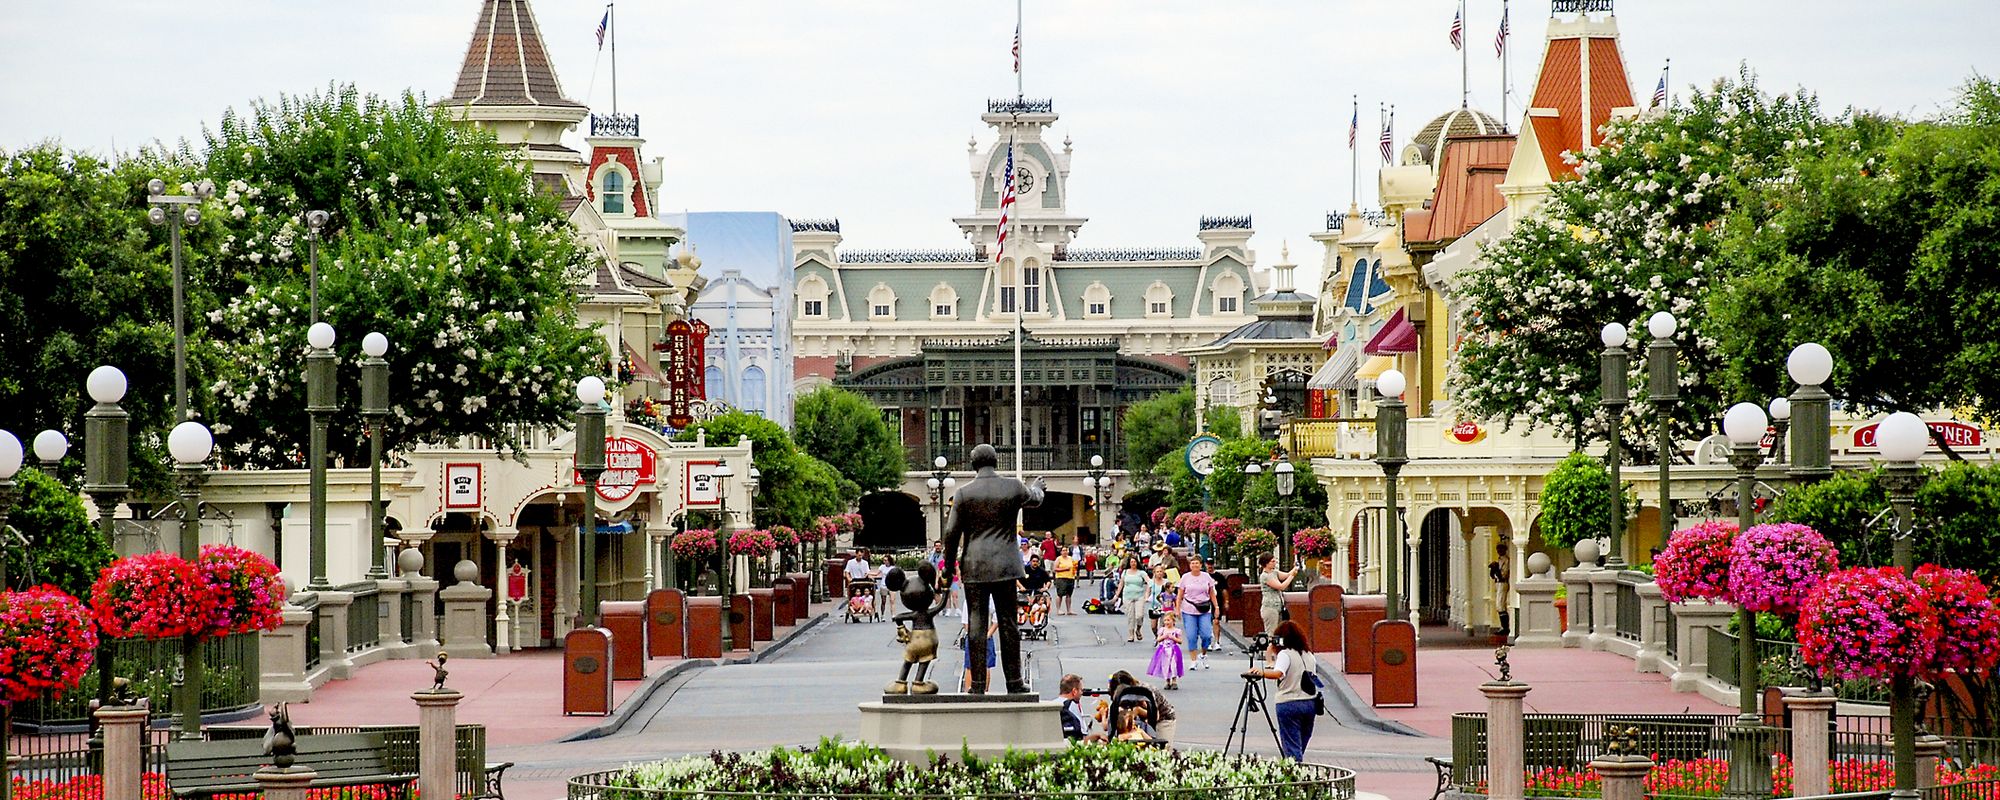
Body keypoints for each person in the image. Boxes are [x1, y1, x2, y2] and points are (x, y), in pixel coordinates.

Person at [939, 443, 1046, 694]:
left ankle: (976, 685)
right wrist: (1038, 486)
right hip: (1006, 565)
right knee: (1009, 623)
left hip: (975, 565)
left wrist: (948, 568)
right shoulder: (1013, 487)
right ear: (996, 461)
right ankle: (1014, 682)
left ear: (973, 464)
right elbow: (1036, 499)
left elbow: (951, 533)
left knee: (977, 623)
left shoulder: (964, 493)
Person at [1250, 620, 1319, 760]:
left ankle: (1294, 773)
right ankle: (1298, 766)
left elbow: (1278, 673)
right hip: (1309, 703)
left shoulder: (1285, 654)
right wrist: (1270, 655)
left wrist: (1260, 672)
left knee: (1291, 745)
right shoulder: (1308, 655)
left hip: (1289, 703)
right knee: (1300, 742)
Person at [1105, 670, 1178, 743]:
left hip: (1164, 717)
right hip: (1142, 718)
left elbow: (1156, 716)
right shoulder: (1117, 695)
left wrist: (1138, 710)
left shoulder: (1145, 691)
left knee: (1162, 747)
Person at [1178, 556, 1218, 670]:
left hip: (1204, 609)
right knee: (1191, 635)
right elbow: (1180, 594)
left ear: (1201, 565)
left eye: (1197, 563)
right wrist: (1177, 608)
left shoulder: (1206, 577)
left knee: (1206, 635)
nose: (1195, 565)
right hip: (1189, 609)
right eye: (1192, 563)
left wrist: (1216, 606)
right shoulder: (1185, 577)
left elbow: (1212, 593)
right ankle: (1193, 660)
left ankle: (1203, 654)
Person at [1257, 553, 1302, 635]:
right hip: (1270, 607)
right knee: (1272, 633)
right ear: (1266, 563)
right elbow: (1281, 586)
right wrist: (1292, 576)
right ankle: (1270, 647)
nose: (1275, 563)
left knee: (1279, 632)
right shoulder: (1265, 576)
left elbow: (1286, 575)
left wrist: (1295, 568)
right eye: (1272, 561)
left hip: (1278, 606)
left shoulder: (1274, 572)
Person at [1148, 611, 1186, 690]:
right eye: (1165, 620)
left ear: (1173, 621)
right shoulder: (1162, 630)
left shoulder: (1176, 631)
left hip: (1173, 650)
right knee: (1165, 665)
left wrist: (1173, 638)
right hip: (1164, 650)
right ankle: (1167, 681)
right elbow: (1158, 639)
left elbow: (1180, 641)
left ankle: (1174, 681)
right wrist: (1163, 637)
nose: (1166, 622)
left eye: (1168, 620)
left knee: (1173, 665)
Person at [1120, 559, 1150, 642]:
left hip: (1139, 596)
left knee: (1139, 616)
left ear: (1137, 563)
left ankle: (1138, 629)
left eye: (1134, 562)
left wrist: (1147, 593)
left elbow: (1149, 582)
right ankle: (1131, 634)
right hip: (1128, 596)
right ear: (1129, 563)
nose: (1133, 563)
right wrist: (1116, 595)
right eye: (1131, 562)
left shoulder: (1141, 573)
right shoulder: (1125, 572)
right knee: (1130, 616)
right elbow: (1121, 583)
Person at [1058, 673, 1093, 740]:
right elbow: (1082, 731)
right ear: (1074, 691)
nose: (1081, 693)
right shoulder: (1071, 705)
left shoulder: (1053, 704)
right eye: (1080, 690)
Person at [1053, 547, 1079, 615]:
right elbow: (1055, 569)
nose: (1065, 552)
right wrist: (1064, 569)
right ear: (1061, 552)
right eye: (1063, 551)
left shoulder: (1070, 558)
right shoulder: (1059, 559)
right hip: (1061, 578)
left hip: (1070, 577)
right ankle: (1058, 610)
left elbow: (1073, 566)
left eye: (1066, 550)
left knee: (1069, 595)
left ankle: (1069, 610)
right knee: (1060, 594)